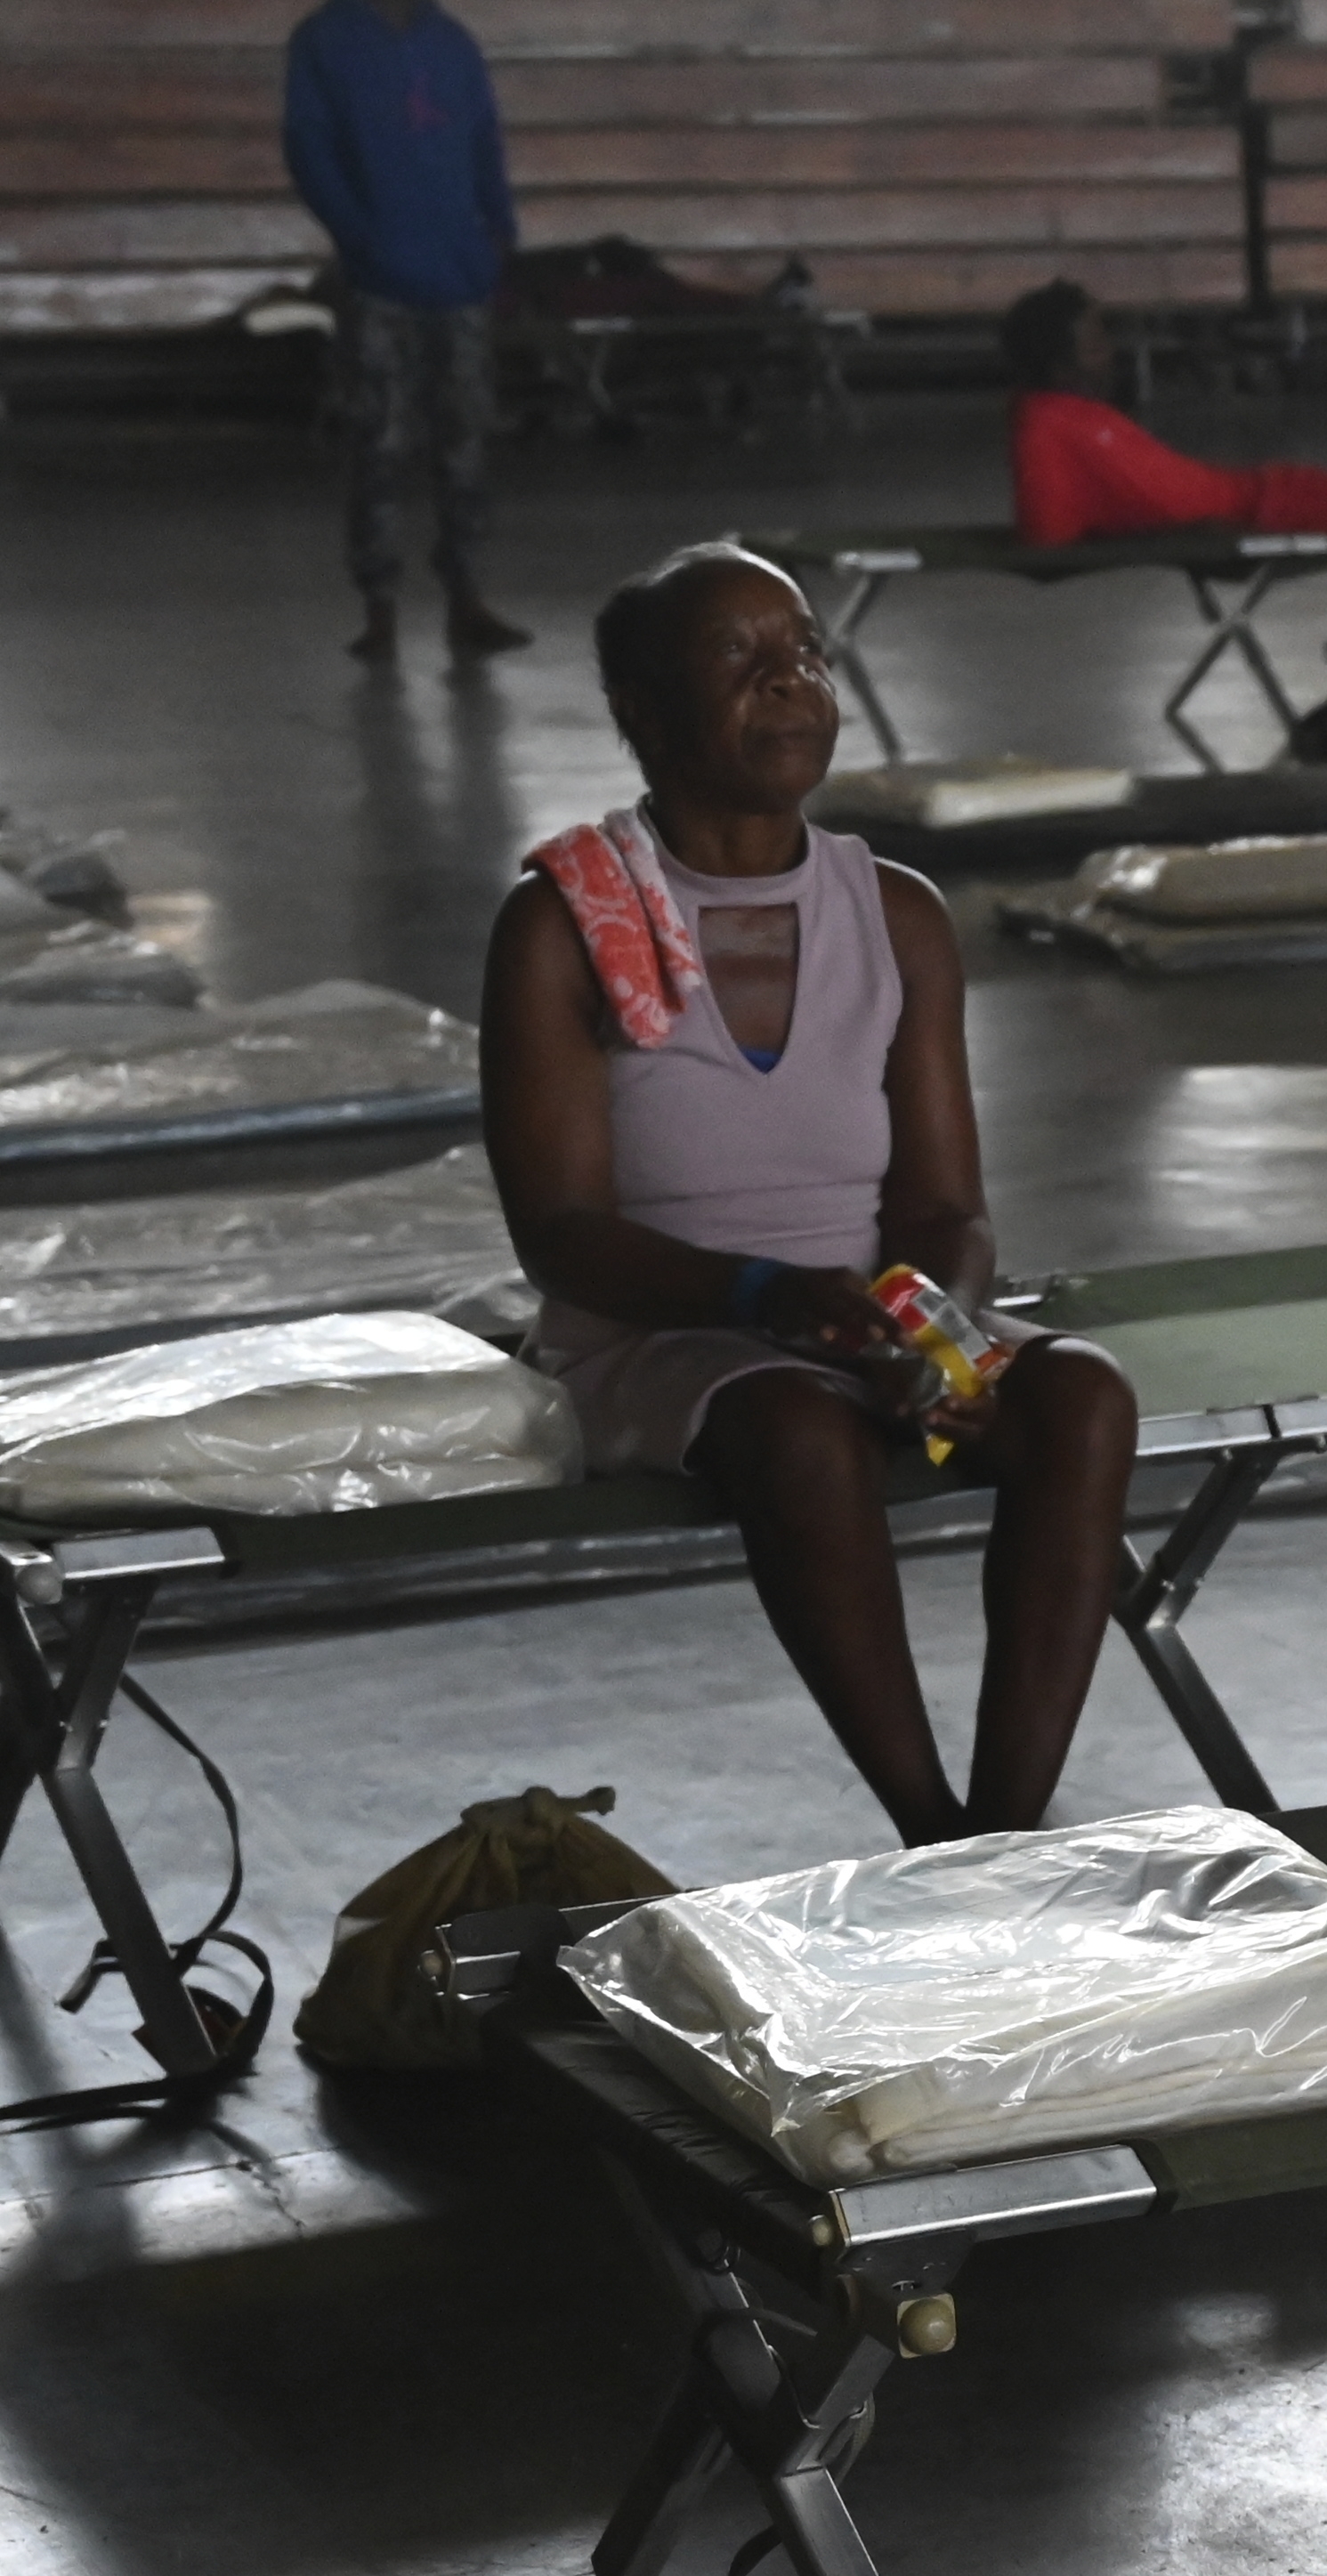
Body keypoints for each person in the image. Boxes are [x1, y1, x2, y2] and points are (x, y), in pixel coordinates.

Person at [480, 545, 1141, 1847]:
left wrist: (925, 1332)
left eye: (807, 652)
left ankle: (1002, 1833)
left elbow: (946, 1205)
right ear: (642, 711)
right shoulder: (563, 922)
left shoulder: (894, 912)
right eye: (741, 657)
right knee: (797, 1431)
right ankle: (926, 1825)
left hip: (865, 1317)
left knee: (1080, 1397)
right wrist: (770, 1301)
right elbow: (562, 1238)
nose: (790, 681)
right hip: (667, 1334)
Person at [281, 0, 527, 666]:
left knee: (466, 435)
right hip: (379, 281)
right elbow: (308, 146)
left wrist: (499, 230)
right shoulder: (325, 40)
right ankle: (379, 603)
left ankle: (466, 594)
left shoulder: (452, 43)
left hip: (461, 274)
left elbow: (483, 136)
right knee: (380, 439)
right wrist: (360, 239)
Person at [997, 279, 1327, 551]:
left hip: (1255, 496)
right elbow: (1047, 541)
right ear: (1059, 366)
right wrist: (1162, 540)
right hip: (1249, 518)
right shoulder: (1045, 427)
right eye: (1096, 346)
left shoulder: (1077, 414)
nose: (1111, 354)